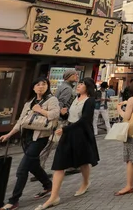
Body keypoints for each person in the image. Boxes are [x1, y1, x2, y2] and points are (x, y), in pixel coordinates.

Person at [36, 78, 99, 210]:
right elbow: (71, 117)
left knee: (83, 161)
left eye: (81, 84)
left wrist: (65, 129)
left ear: (88, 87)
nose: (78, 86)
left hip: (81, 134)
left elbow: (84, 120)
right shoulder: (76, 99)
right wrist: (64, 115)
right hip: (69, 133)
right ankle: (54, 196)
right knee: (59, 164)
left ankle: (86, 183)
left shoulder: (90, 101)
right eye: (78, 84)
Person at [0, 78, 60, 210]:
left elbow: (55, 115)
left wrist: (40, 110)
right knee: (33, 165)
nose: (41, 86)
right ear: (33, 87)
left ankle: (13, 200)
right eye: (38, 84)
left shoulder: (51, 99)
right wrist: (9, 134)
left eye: (44, 84)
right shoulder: (29, 102)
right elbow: (21, 120)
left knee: (22, 169)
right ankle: (48, 185)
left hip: (40, 138)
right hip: (27, 138)